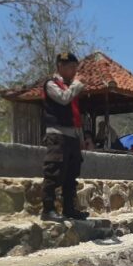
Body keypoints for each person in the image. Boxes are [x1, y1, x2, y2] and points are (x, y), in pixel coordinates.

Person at [41, 52, 88, 222]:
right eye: (70, 68)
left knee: (71, 174)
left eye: (75, 68)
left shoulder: (70, 87)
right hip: (57, 135)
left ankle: (69, 208)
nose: (74, 71)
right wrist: (77, 85)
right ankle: (48, 209)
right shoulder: (51, 84)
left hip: (72, 136)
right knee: (54, 172)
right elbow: (63, 99)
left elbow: (75, 115)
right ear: (60, 66)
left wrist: (80, 138)